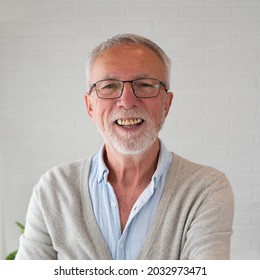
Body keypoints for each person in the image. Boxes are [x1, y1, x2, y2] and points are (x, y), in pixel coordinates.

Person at [16, 34, 234, 260]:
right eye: (109, 86)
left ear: (166, 105)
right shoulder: (53, 190)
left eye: (145, 85)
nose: (127, 101)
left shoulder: (205, 190)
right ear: (90, 106)